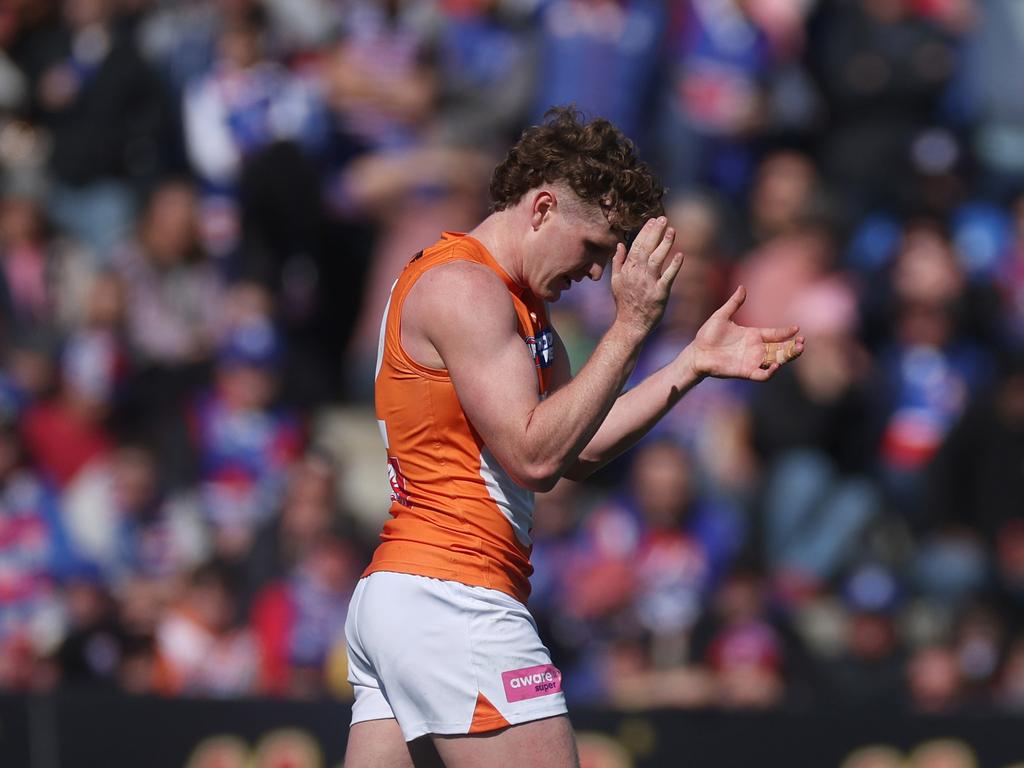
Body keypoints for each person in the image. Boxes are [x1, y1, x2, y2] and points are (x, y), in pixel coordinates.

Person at [345, 107, 804, 768]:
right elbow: (535, 456)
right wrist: (630, 327)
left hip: (410, 599)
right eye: (592, 248)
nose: (595, 273)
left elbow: (575, 449)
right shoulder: (468, 291)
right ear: (541, 209)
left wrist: (688, 366)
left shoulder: (518, 306)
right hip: (455, 597)